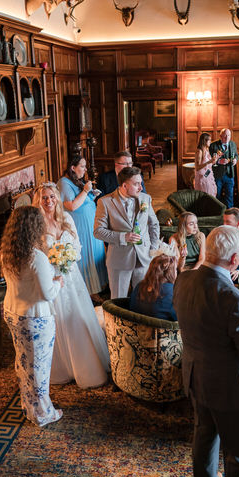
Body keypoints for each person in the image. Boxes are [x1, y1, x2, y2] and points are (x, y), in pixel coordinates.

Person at [173, 225, 239, 477]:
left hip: (197, 376)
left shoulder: (183, 280)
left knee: (204, 436)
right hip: (233, 388)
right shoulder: (233, 299)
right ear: (235, 259)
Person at [33, 183, 109, 389]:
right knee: (58, 320)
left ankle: (86, 364)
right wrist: (53, 262)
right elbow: (36, 254)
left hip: (71, 275)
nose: (49, 201)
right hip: (51, 278)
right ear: (38, 201)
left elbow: (77, 246)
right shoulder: (36, 224)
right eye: (44, 198)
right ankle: (64, 367)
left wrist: (68, 257)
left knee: (78, 316)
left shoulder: (66, 218)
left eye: (51, 196)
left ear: (57, 198)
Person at [0, 206, 64, 427]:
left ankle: (29, 405)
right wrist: (58, 282)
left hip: (13, 313)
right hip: (34, 318)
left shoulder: (7, 252)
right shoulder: (36, 257)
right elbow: (48, 294)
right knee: (39, 366)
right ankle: (43, 413)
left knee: (23, 362)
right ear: (35, 228)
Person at [94, 166, 160, 299]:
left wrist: (153, 249)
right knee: (118, 299)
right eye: (136, 184)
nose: (140, 187)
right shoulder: (105, 202)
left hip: (143, 257)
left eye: (141, 183)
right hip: (119, 260)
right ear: (124, 185)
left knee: (143, 299)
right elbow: (98, 231)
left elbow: (154, 225)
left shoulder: (145, 198)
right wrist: (123, 237)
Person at [59, 155, 108, 296]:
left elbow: (81, 201)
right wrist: (86, 191)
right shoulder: (64, 183)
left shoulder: (76, 181)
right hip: (80, 226)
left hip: (90, 225)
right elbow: (71, 206)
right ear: (73, 168)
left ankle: (98, 288)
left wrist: (91, 195)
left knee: (95, 254)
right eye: (82, 166)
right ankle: (88, 292)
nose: (85, 169)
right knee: (86, 256)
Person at [129, 249, 179, 320]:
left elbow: (131, 309)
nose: (176, 272)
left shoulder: (139, 286)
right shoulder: (172, 291)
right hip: (161, 327)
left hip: (136, 326)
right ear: (170, 272)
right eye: (176, 269)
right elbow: (178, 318)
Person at [209, 128, 238, 208]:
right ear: (220, 136)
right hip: (217, 175)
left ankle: (230, 212)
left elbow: (236, 155)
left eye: (229, 135)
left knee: (230, 196)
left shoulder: (233, 144)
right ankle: (217, 212)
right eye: (225, 136)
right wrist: (218, 161)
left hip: (229, 174)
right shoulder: (213, 145)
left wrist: (235, 160)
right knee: (216, 195)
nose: (227, 137)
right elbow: (209, 159)